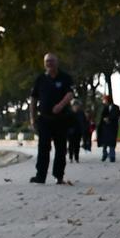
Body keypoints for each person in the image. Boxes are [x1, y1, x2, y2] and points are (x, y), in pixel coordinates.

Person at [29, 52, 76, 184]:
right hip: (44, 119)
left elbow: (70, 94)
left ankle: (58, 175)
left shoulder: (65, 78)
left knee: (61, 148)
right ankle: (40, 175)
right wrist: (33, 119)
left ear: (57, 62)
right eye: (47, 61)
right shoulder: (40, 79)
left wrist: (60, 105)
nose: (49, 63)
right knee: (43, 148)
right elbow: (33, 99)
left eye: (51, 61)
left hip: (61, 119)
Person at [95, 93, 120, 162]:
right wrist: (104, 120)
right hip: (105, 127)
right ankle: (104, 154)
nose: (104, 101)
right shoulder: (104, 107)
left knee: (112, 142)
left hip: (112, 127)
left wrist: (109, 119)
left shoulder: (116, 107)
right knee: (105, 142)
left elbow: (116, 115)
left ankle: (112, 156)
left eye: (105, 100)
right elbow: (102, 116)